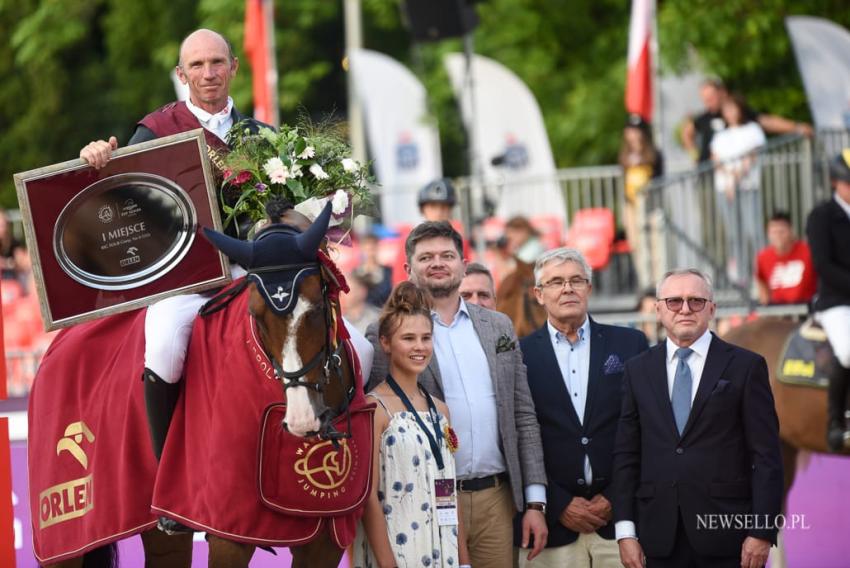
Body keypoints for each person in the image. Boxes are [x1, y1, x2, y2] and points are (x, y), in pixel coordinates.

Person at [367, 221, 549, 567]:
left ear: (464, 264)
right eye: (427, 257)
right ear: (408, 268)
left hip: (496, 497)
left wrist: (535, 502)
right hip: (421, 503)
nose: (438, 263)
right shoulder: (384, 334)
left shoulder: (498, 326)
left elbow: (522, 414)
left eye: (447, 255)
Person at [613, 268, 782, 568]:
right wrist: (625, 532)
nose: (685, 309)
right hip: (658, 537)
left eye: (696, 301)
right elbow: (627, 454)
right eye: (674, 301)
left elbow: (766, 456)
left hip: (729, 537)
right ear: (658, 309)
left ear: (712, 308)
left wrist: (762, 531)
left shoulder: (746, 366)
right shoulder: (636, 370)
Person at [517, 248, 648, 567]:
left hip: (621, 524)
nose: (567, 288)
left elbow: (647, 427)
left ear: (589, 288)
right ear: (539, 294)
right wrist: (559, 504)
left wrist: (615, 497)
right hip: (554, 529)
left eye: (577, 280)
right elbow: (519, 434)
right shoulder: (520, 355)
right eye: (556, 281)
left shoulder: (631, 344)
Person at [355, 281, 470, 568]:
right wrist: (388, 564)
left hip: (444, 548)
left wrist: (464, 560)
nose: (419, 347)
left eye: (426, 338)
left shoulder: (441, 410)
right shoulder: (374, 408)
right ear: (385, 343)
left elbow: (449, 491)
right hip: (399, 547)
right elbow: (368, 497)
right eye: (408, 338)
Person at [806, 150, 850, 451]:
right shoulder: (821, 216)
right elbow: (823, 264)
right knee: (848, 352)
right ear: (836, 182)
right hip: (837, 301)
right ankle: (836, 422)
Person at [682, 78, 812, 164]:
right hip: (710, 175)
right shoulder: (704, 118)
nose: (707, 103)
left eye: (711, 98)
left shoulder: (739, 113)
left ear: (722, 93)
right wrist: (694, 155)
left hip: (741, 176)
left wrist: (796, 127)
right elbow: (687, 132)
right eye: (705, 99)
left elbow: (767, 122)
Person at [711, 93, 767, 284]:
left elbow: (751, 156)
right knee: (735, 233)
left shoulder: (752, 130)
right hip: (725, 188)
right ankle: (742, 276)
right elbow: (716, 159)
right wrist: (728, 180)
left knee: (754, 230)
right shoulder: (720, 135)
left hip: (747, 186)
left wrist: (734, 178)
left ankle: (763, 273)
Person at [390, 179, 472, 286]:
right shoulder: (409, 241)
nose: (439, 212)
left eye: (444, 207)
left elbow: (466, 278)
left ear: (451, 210)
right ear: (422, 209)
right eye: (433, 206)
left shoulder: (459, 240)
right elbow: (400, 282)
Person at [618, 115, 663, 288]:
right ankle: (644, 283)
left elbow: (660, 178)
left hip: (650, 205)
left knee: (654, 245)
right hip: (631, 205)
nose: (634, 135)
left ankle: (657, 282)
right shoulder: (625, 155)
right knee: (636, 245)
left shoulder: (654, 154)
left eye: (637, 131)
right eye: (631, 131)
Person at [755, 211, 817, 305]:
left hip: (806, 308)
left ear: (791, 231)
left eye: (782, 231)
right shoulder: (763, 256)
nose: (778, 236)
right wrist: (766, 305)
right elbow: (761, 281)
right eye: (773, 232)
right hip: (777, 311)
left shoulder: (808, 251)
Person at [353, 231, 393, 308]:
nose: (370, 253)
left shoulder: (388, 272)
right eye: (367, 249)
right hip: (362, 318)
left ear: (377, 248)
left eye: (372, 249)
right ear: (362, 249)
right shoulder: (355, 274)